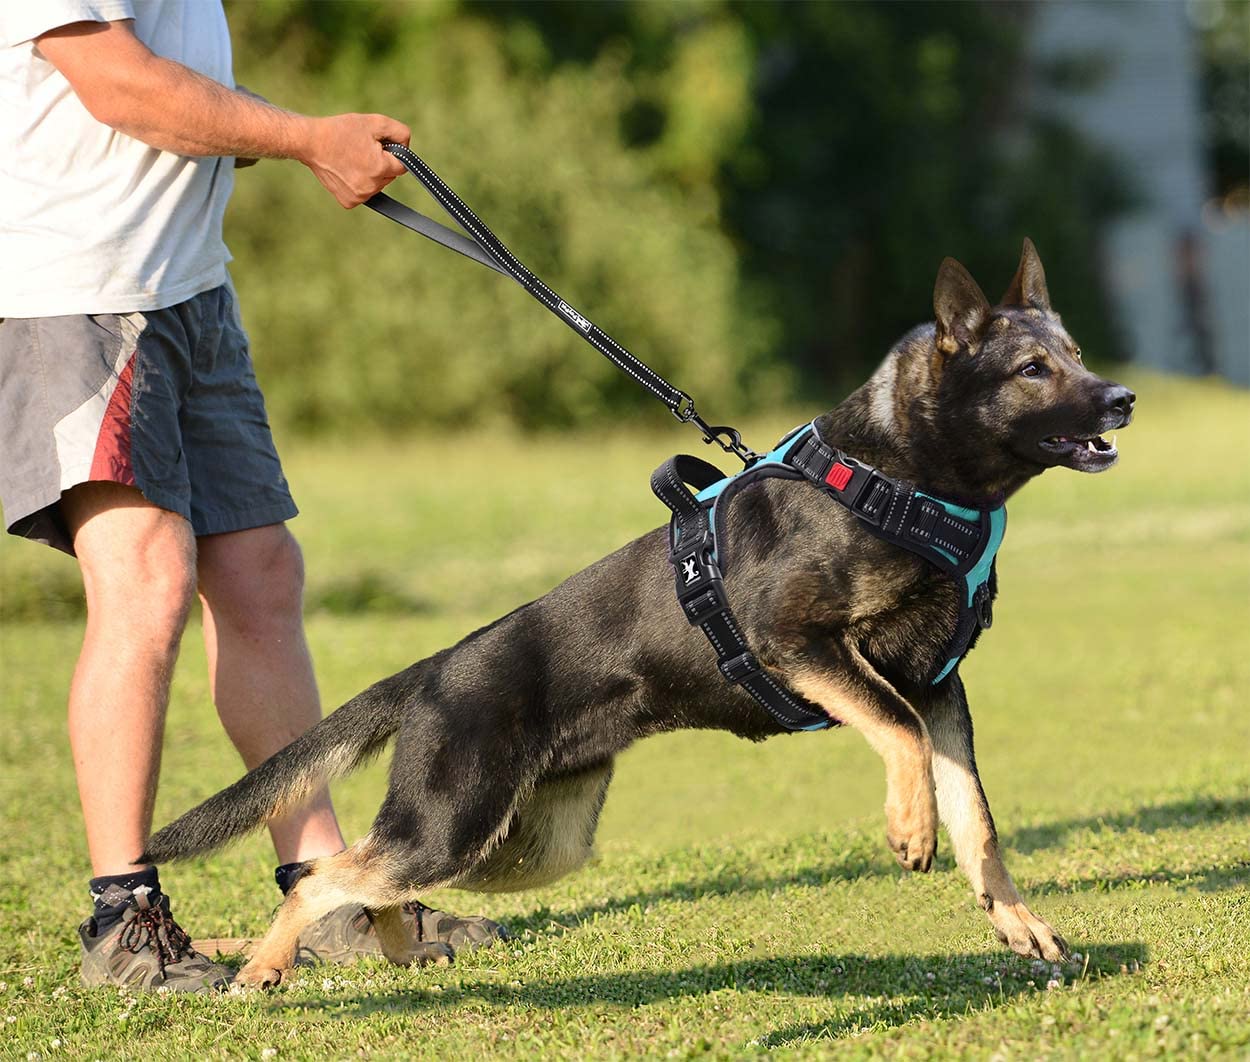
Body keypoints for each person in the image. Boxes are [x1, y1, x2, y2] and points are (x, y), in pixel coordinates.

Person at [0, 2, 505, 993]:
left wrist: (293, 140)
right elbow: (122, 86)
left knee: (259, 573)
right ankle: (122, 917)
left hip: (184, 290)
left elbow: (177, 91)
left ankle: (323, 887)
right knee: (144, 578)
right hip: (78, 293)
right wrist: (309, 137)